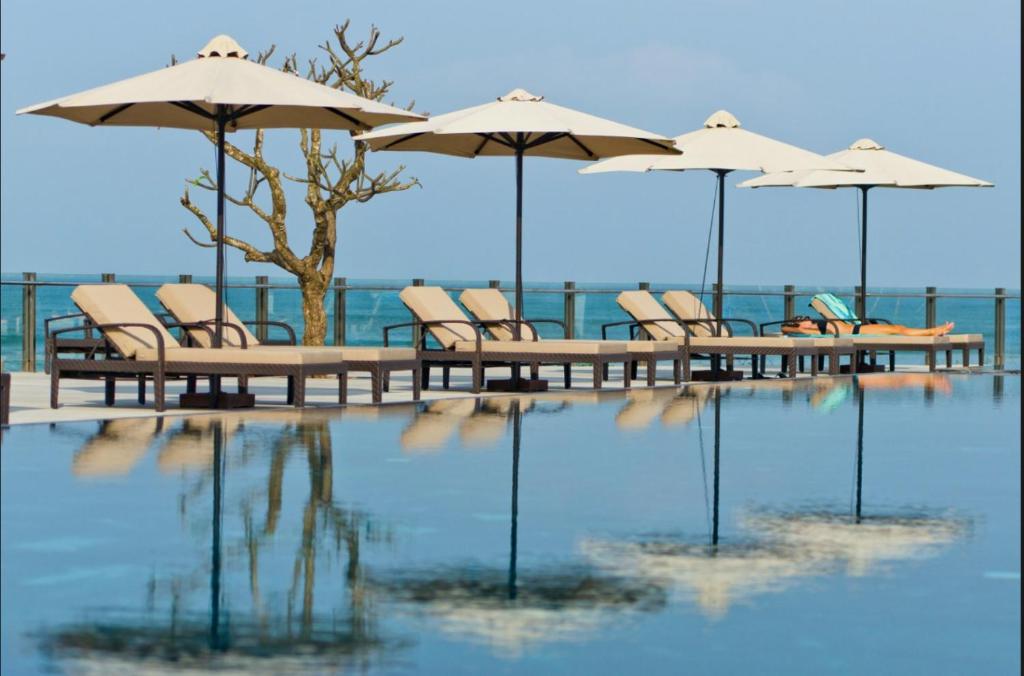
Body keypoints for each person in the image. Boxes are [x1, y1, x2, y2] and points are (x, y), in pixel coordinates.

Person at [781, 317, 955, 337]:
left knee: (898, 327)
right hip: (857, 332)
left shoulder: (816, 323)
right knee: (897, 329)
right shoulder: (811, 329)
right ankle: (934, 331)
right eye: (801, 319)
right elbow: (786, 329)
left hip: (858, 328)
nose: (806, 318)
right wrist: (793, 327)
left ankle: (932, 332)